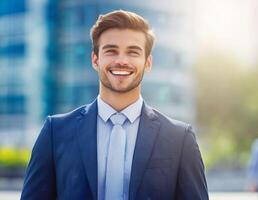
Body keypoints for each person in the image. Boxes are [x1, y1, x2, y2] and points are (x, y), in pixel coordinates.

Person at [21, 10, 208, 200]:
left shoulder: (179, 139)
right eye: (111, 51)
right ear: (95, 60)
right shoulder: (56, 132)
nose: (121, 61)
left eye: (133, 52)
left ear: (148, 62)